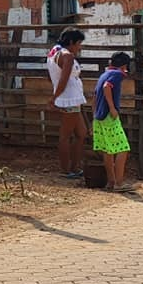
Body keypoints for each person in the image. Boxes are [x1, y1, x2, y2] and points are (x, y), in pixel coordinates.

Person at [47, 27, 87, 179]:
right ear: (70, 42)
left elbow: (51, 77)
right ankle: (66, 169)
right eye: (78, 43)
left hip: (71, 98)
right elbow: (63, 80)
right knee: (65, 135)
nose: (79, 47)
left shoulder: (54, 52)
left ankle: (75, 167)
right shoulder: (67, 56)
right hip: (68, 98)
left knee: (81, 133)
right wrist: (54, 98)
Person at [93, 52, 135, 192]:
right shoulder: (117, 74)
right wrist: (112, 108)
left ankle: (110, 182)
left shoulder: (103, 74)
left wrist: (95, 114)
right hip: (109, 117)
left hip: (99, 117)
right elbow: (107, 87)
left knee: (108, 150)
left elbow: (95, 95)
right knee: (123, 148)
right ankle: (119, 183)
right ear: (124, 66)